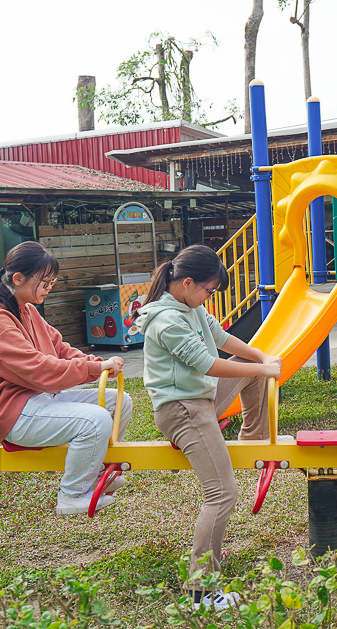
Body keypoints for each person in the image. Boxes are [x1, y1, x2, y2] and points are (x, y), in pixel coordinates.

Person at [135, 244, 283, 611]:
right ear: (187, 283)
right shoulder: (166, 321)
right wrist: (262, 367)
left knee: (250, 371)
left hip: (200, 397)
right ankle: (202, 592)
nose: (209, 297)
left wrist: (261, 356)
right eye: (209, 290)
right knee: (221, 494)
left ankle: (254, 440)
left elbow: (221, 338)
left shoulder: (191, 306)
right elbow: (207, 363)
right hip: (182, 410)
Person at [0, 241, 133, 516]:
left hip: (38, 399)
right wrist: (94, 368)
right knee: (95, 419)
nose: (49, 287)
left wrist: (97, 364)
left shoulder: (25, 307)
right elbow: (38, 369)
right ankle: (72, 495)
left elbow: (58, 348)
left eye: (52, 282)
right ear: (18, 278)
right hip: (11, 411)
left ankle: (98, 472)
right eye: (45, 282)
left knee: (119, 402)